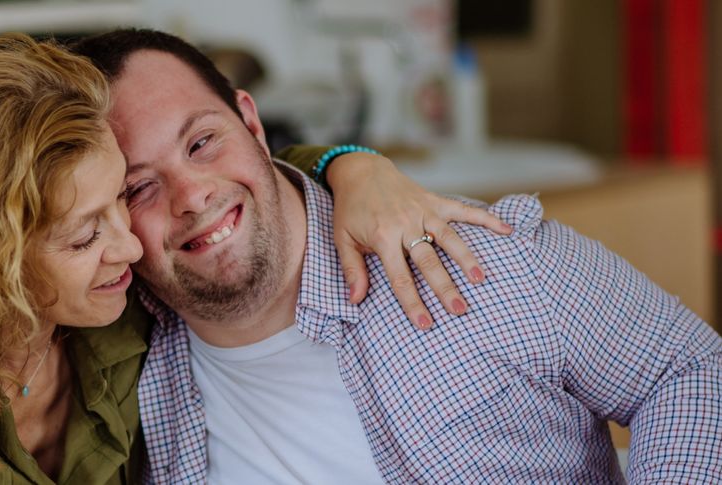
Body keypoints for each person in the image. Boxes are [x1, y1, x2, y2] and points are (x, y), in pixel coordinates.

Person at [0, 34, 503, 484]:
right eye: (85, 234)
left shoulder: (130, 319)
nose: (131, 242)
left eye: (121, 200)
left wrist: (355, 165)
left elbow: (235, 183)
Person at [70, 28, 722, 484]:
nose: (192, 195)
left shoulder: (477, 255)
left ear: (252, 120)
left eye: (203, 142)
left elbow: (687, 369)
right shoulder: (114, 353)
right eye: (139, 187)